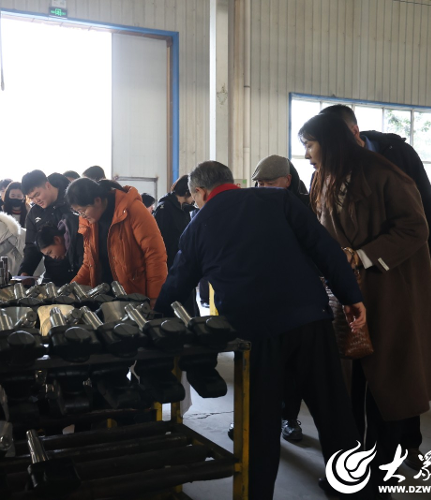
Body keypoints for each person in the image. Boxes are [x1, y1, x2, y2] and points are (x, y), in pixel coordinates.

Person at [154, 161, 371, 499]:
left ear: (200, 192)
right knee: (334, 412)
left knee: (260, 422)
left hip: (256, 332)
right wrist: (351, 297)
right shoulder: (279, 200)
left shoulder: (197, 227)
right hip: (309, 321)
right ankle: (356, 491)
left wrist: (156, 318)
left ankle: (257, 494)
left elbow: (177, 283)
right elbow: (325, 249)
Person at [299, 113, 431, 490]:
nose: (305, 155)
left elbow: (416, 226)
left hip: (388, 292)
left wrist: (363, 255)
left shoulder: (383, 173)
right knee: (345, 387)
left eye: (309, 145)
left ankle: (382, 468)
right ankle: (349, 470)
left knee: (386, 386)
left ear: (330, 142)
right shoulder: (322, 177)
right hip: (343, 295)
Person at [320, 105, 431, 272]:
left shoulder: (397, 155)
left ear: (354, 131)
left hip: (401, 264)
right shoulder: (328, 171)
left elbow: (426, 207)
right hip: (358, 268)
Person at [252, 155, 310, 443]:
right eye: (260, 183)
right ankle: (256, 420)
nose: (263, 188)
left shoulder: (305, 208)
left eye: (269, 183)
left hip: (295, 299)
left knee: (292, 367)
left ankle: (289, 418)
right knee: (260, 365)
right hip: (261, 296)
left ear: (287, 181)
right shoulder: (253, 206)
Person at [67, 178, 167, 302]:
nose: (82, 215)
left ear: (97, 200)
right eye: (78, 212)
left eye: (83, 210)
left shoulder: (132, 210)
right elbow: (89, 263)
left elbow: (155, 255)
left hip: (134, 296)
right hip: (103, 297)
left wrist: (155, 297)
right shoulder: (89, 222)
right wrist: (69, 291)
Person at [19, 170, 79, 284]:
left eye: (37, 194)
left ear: (47, 185)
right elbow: (32, 246)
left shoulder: (72, 201)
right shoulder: (34, 214)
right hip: (53, 276)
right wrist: (25, 271)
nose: (36, 200)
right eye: (31, 198)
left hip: (80, 272)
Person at [154, 175, 195, 270]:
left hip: (180, 261)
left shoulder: (184, 209)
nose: (195, 197)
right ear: (187, 192)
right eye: (194, 192)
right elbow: (160, 239)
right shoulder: (164, 208)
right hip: (169, 263)